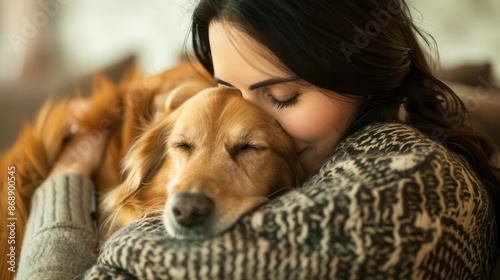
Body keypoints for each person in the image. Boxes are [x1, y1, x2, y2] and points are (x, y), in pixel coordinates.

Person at [17, 0, 500, 279]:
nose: (251, 113)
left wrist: (63, 184)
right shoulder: (358, 146)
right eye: (229, 90)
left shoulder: (404, 189)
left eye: (283, 96)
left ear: (367, 76)